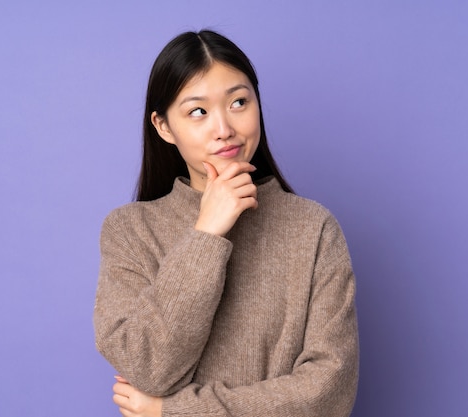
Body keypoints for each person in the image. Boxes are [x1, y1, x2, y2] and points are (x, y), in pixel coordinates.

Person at [93, 29, 359, 417]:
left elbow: (328, 394)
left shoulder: (313, 227)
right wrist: (206, 233)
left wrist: (175, 411)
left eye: (238, 102)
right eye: (197, 111)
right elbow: (147, 368)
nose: (224, 129)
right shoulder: (129, 231)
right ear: (164, 126)